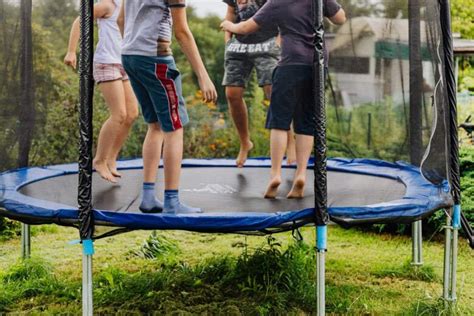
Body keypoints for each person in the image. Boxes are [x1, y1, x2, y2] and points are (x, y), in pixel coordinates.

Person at [221, 0, 346, 199]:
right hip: (317, 64)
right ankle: (301, 174)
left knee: (279, 121)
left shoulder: (277, 2)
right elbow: (340, 18)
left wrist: (229, 26)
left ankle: (275, 174)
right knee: (306, 122)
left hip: (290, 63)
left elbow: (246, 27)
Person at [118, 0, 218, 214]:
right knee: (175, 127)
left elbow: (120, 20)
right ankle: (172, 201)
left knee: (154, 125)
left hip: (129, 55)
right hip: (155, 59)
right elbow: (182, 32)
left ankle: (147, 197)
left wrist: (134, 44)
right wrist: (203, 76)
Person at [64, 0, 139, 184]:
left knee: (132, 114)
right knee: (119, 114)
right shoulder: (107, 4)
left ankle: (111, 158)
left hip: (124, 63)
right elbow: (80, 20)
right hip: (107, 63)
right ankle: (99, 160)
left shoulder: (129, 5)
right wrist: (72, 52)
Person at [222, 0, 296, 168]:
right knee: (232, 94)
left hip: (266, 43)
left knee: (273, 91)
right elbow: (230, 15)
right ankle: (245, 142)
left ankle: (290, 141)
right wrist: (228, 41)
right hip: (239, 46)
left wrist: (278, 43)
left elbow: (283, 15)